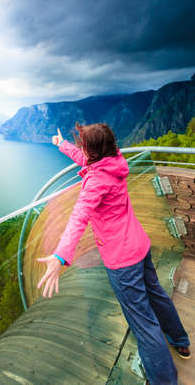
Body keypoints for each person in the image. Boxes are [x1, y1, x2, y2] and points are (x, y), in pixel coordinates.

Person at [37, 123, 190, 385]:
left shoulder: (96, 181)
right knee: (157, 295)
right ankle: (181, 341)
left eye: (84, 144)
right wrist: (61, 144)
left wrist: (61, 256)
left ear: (93, 151)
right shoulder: (115, 161)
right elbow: (84, 159)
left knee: (143, 324)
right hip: (140, 246)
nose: (82, 149)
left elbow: (78, 217)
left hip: (122, 260)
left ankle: (164, 381)